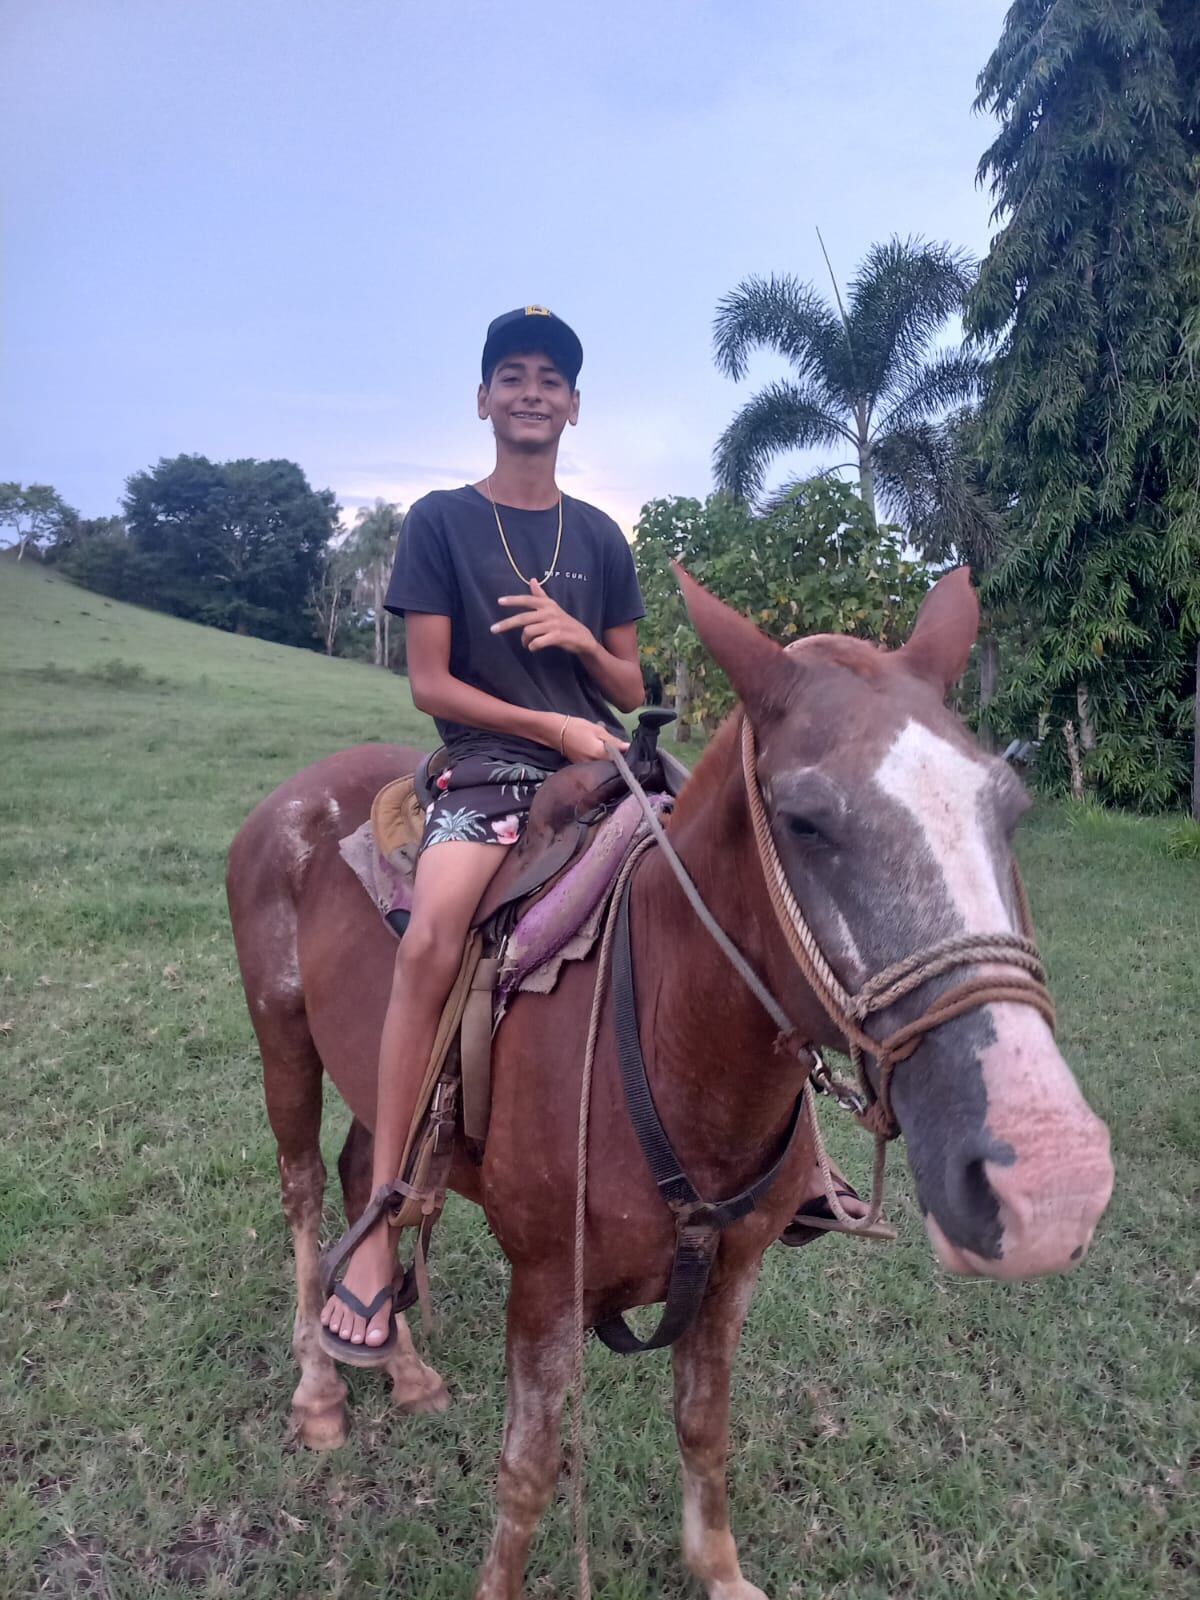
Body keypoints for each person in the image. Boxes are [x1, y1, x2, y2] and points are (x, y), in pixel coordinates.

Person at [320, 307, 646, 1358]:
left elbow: (636, 683)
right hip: (489, 769)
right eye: (513, 374)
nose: (532, 390)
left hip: (602, 767)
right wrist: (550, 720)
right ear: (483, 399)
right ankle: (380, 1211)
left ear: (575, 406)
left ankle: (795, 1162)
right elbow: (429, 681)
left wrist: (581, 646)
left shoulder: (600, 535)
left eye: (551, 378)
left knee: (716, 878)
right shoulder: (440, 520)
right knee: (433, 935)